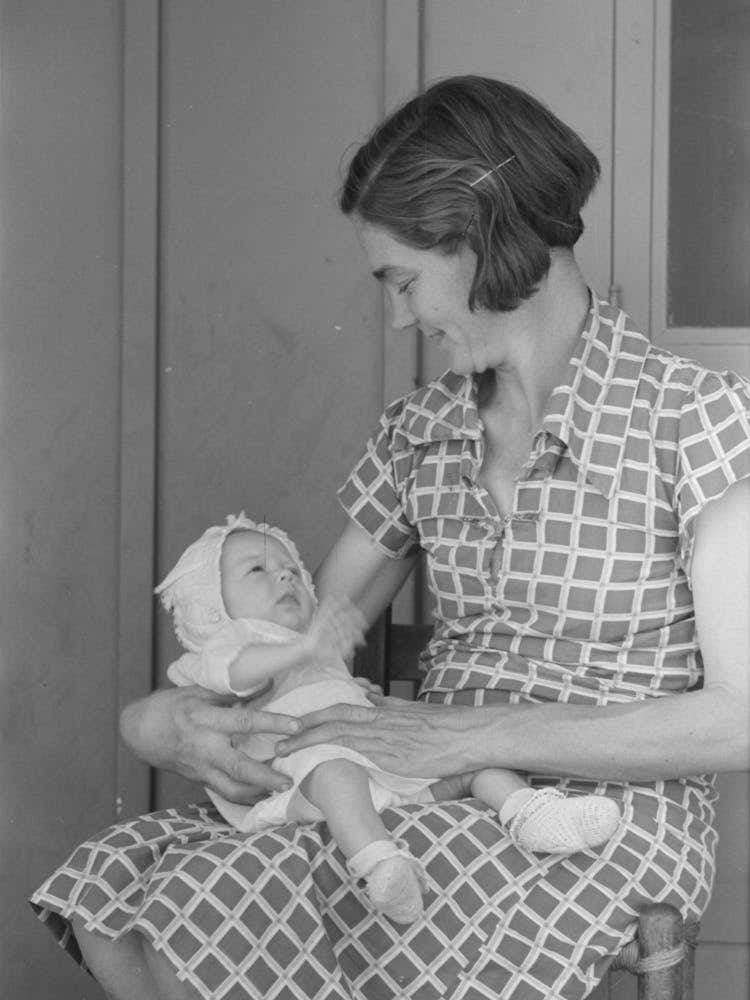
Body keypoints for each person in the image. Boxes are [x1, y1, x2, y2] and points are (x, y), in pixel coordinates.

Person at [31, 75, 749, 1000]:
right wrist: (156, 722)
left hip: (607, 820)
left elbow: (741, 718)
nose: (400, 317)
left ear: (481, 234)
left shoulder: (696, 418)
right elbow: (309, 639)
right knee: (130, 890)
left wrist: (462, 737)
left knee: (240, 908)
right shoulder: (420, 433)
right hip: (420, 793)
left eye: (404, 281)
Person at [157, 512, 621, 916]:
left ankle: (530, 813)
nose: (285, 577)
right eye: (257, 569)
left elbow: (318, 688)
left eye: (291, 569)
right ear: (212, 607)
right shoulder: (228, 647)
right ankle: (381, 864)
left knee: (471, 761)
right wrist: (304, 648)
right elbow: (239, 676)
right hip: (307, 782)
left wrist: (352, 690)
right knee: (335, 772)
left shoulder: (309, 646)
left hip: (385, 769)